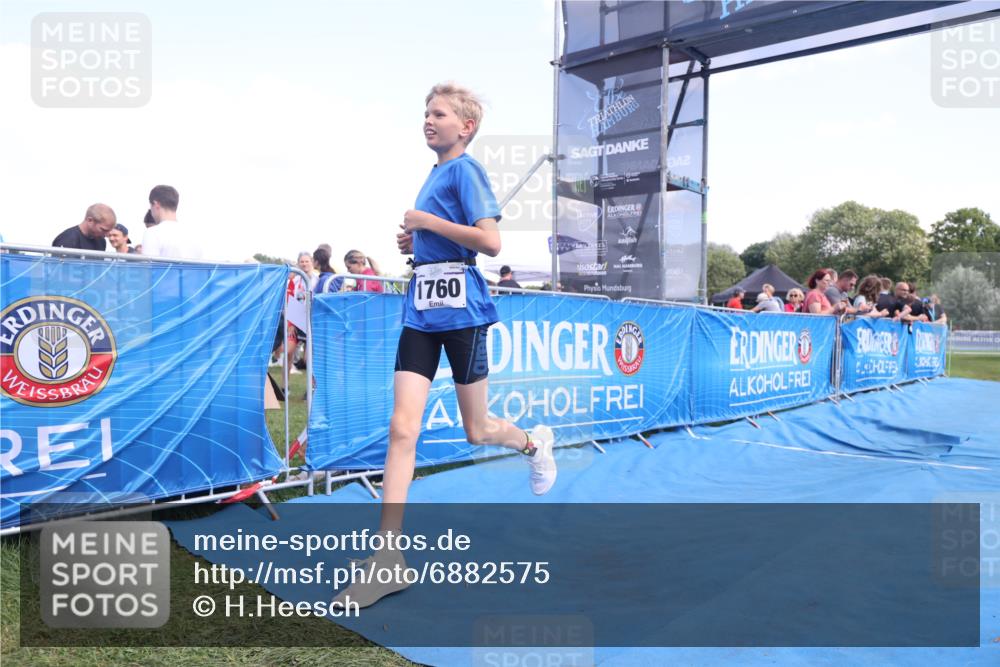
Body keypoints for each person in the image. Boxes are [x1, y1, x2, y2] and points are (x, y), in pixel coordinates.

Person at [332, 83, 556, 610]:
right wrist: (419, 243)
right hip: (422, 306)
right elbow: (450, 235)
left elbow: (491, 240)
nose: (427, 121)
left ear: (466, 126)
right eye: (425, 113)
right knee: (401, 426)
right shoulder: (435, 174)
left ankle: (532, 443)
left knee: (477, 429)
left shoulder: (466, 169)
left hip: (462, 310)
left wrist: (428, 223)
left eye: (439, 113)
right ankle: (389, 558)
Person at [141, 185, 203, 260]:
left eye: (150, 206)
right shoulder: (194, 234)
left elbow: (148, 269)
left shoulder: (152, 233)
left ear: (156, 204)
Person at [52, 203, 116, 251]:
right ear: (90, 220)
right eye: (103, 230)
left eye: (109, 231)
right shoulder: (67, 240)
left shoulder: (101, 242)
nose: (107, 235)